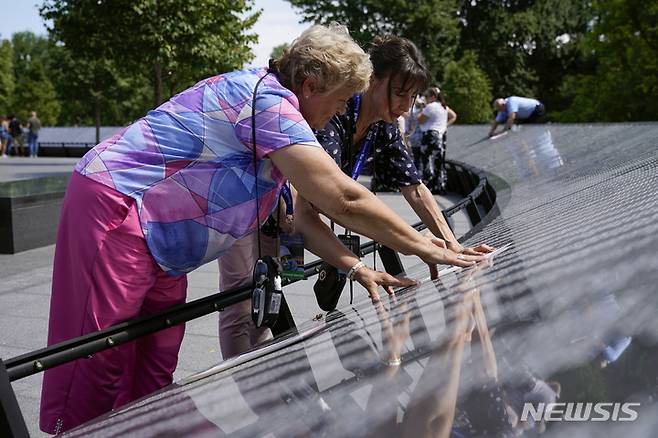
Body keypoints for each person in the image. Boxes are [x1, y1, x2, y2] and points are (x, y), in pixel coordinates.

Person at [40, 24, 482, 434]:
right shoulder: (270, 104)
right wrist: (430, 248)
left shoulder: (283, 108)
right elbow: (341, 198)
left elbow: (304, 221)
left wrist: (354, 268)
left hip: (163, 239)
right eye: (339, 100)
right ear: (310, 85)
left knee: (156, 358)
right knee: (97, 364)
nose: (338, 113)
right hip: (116, 210)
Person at [314, 35, 492, 256]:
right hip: (270, 210)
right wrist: (417, 242)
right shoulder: (338, 109)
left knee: (279, 280)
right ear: (371, 79)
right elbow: (338, 195)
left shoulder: (383, 125)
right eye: (399, 93)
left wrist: (452, 245)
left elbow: (414, 188)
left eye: (413, 96)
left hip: (296, 223)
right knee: (264, 279)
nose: (407, 108)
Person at [416, 86, 457, 193]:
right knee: (439, 162)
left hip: (430, 136)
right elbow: (454, 116)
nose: (425, 98)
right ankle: (439, 186)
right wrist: (445, 126)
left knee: (427, 161)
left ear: (433, 97)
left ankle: (428, 186)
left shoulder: (430, 107)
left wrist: (421, 109)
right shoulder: (444, 107)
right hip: (440, 136)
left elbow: (420, 120)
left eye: (427, 96)